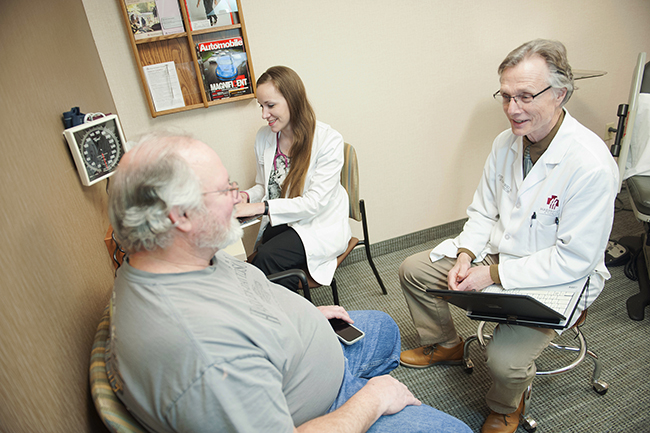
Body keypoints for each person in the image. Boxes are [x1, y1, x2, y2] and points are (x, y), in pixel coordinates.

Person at [105, 132, 472, 433]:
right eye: (225, 191)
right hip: (319, 409)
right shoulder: (207, 357)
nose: (237, 199)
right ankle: (371, 395)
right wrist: (372, 400)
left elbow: (247, 297)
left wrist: (307, 315)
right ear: (180, 215)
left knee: (386, 328)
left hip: (296, 351)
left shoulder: (180, 257)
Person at [398, 39, 619, 433]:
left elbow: (575, 260)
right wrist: (467, 253)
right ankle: (446, 344)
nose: (512, 109)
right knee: (414, 269)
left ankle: (505, 406)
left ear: (560, 94)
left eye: (525, 96)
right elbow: (483, 211)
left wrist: (494, 275)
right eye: (505, 96)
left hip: (557, 280)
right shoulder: (506, 143)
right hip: (497, 257)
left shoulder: (590, 165)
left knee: (503, 361)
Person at [236, 66, 351, 292]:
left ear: (293, 100)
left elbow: (314, 203)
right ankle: (291, 305)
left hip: (320, 223)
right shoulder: (264, 137)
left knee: (265, 260)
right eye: (261, 106)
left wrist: (259, 208)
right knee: (261, 257)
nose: (263, 114)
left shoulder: (328, 140)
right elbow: (264, 186)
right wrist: (245, 196)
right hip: (289, 218)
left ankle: (287, 315)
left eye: (270, 105)